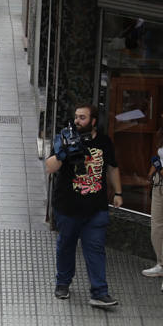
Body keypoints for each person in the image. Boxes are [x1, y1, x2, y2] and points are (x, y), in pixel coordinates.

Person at [46, 105, 122, 308]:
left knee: (96, 249)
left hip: (96, 208)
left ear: (94, 121)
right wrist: (63, 152)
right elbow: (49, 167)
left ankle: (99, 292)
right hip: (68, 207)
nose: (77, 121)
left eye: (83, 117)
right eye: (76, 117)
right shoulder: (64, 137)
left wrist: (119, 193)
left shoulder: (104, 142)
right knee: (66, 246)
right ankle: (62, 283)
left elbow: (113, 168)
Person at [145, 99, 163, 292]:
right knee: (156, 226)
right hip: (158, 184)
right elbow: (158, 155)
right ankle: (161, 264)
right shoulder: (162, 133)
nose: (162, 115)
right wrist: (152, 170)